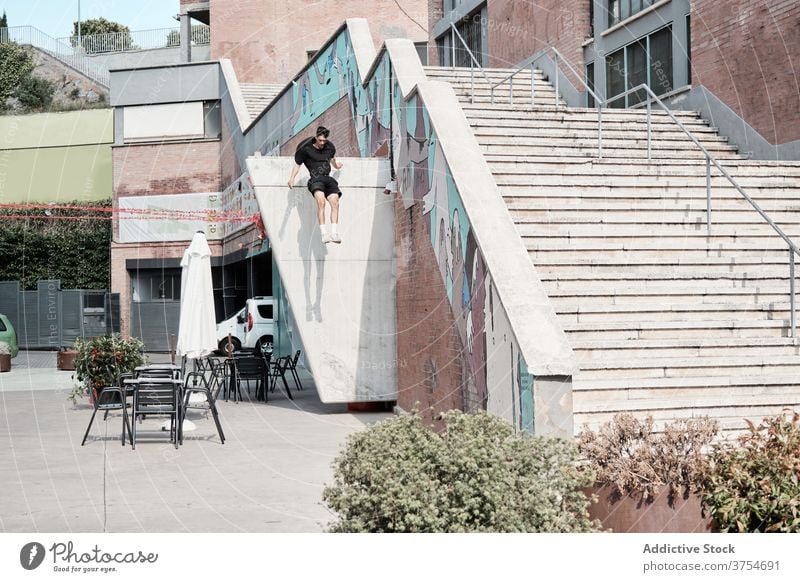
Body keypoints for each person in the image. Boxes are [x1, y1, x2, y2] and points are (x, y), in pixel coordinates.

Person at [288, 126, 344, 244]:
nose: (322, 143)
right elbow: (297, 165)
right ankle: (324, 233)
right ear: (316, 137)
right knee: (321, 202)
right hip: (315, 180)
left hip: (328, 179)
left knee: (335, 203)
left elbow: (332, 159)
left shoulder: (330, 147)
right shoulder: (306, 148)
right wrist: (292, 179)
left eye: (324, 140)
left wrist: (336, 165)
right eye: (320, 140)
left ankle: (334, 233)